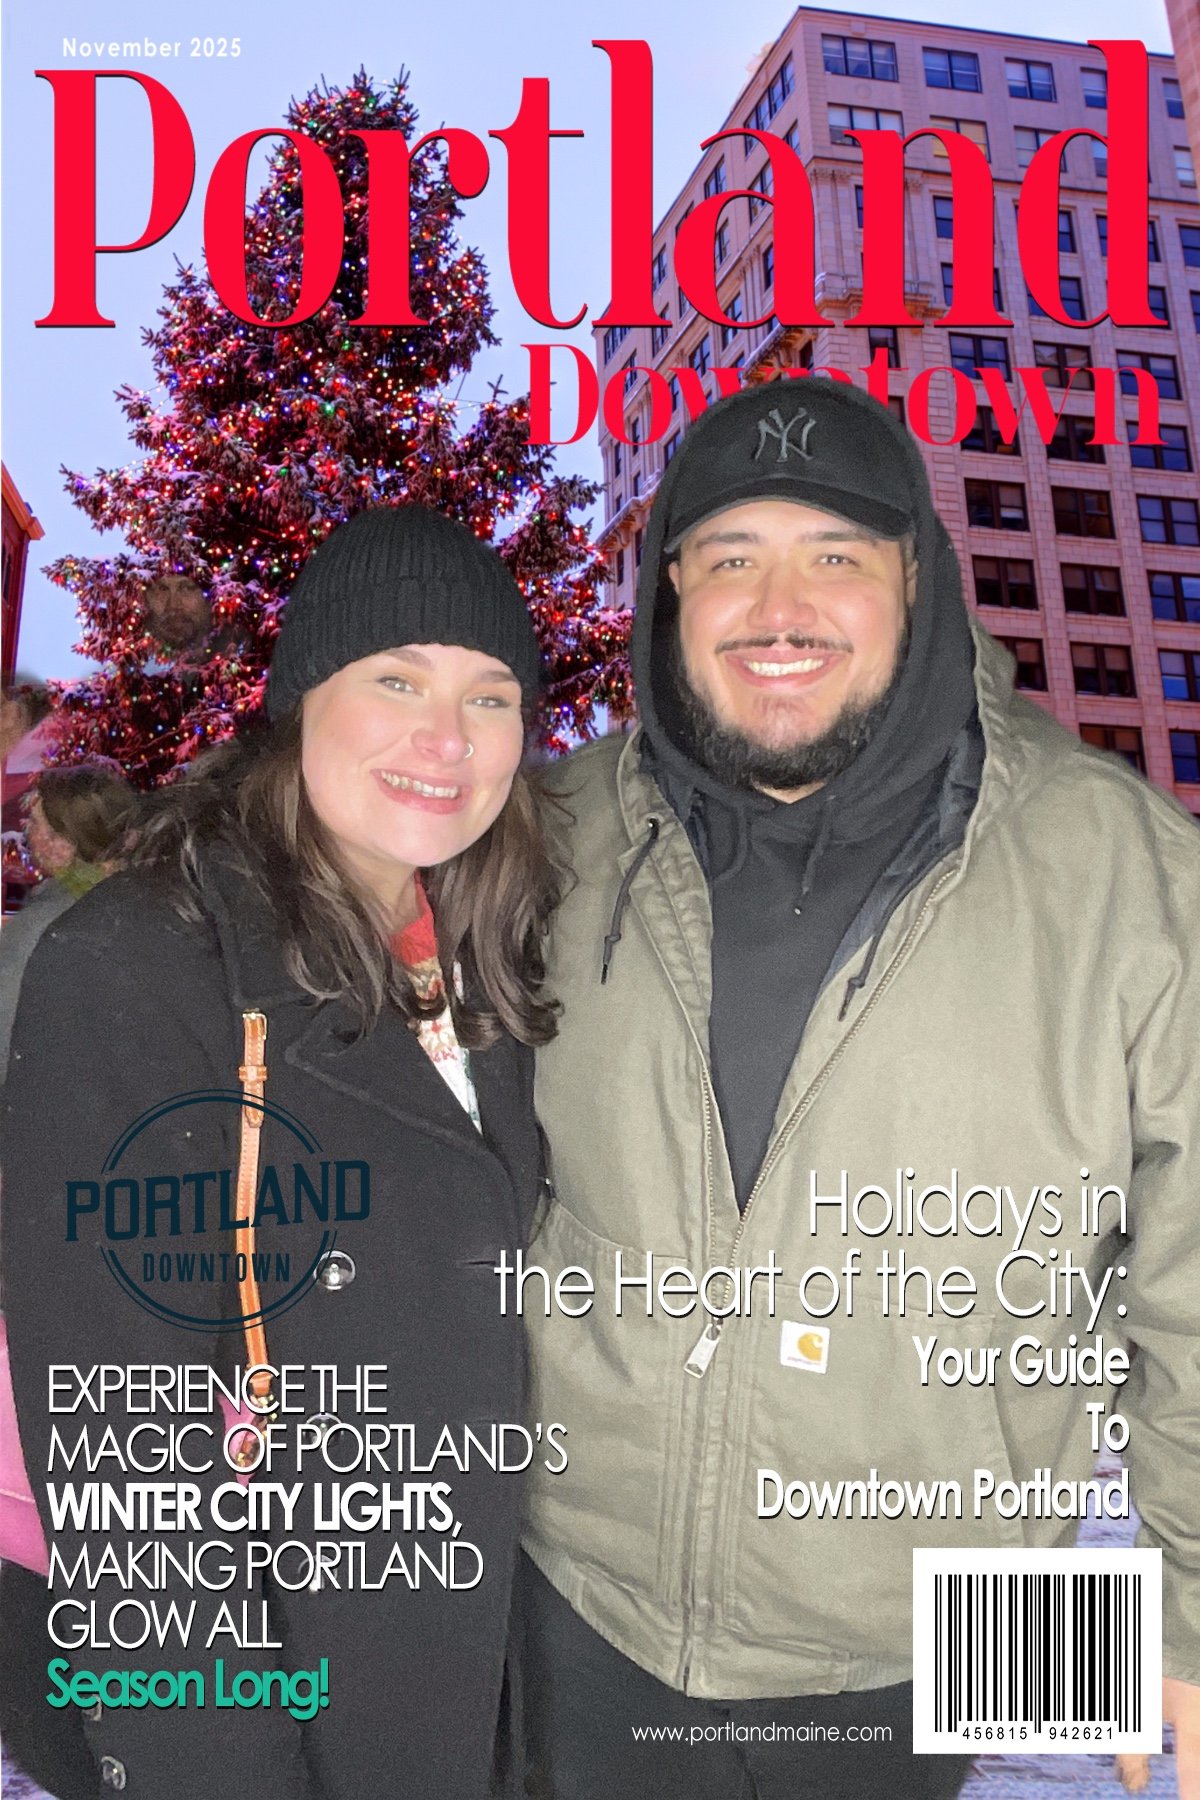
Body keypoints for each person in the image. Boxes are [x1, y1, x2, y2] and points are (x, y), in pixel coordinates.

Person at [521, 379, 1200, 1799]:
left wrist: (1187, 1626)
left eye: (836, 553)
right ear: (670, 593)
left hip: (951, 1624)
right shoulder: (549, 835)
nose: (780, 608)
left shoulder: (1132, 873)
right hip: (577, 1593)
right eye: (730, 557)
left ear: (918, 581)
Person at [2, 504, 557, 1800]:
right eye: (398, 680)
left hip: (483, 1691)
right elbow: (126, 1464)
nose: (446, 737)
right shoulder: (147, 961)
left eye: (488, 697)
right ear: (302, 699)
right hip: (292, 1707)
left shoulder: (495, 958)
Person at [0, 761, 135, 1071]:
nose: (26, 830)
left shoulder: (42, 926)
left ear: (61, 845)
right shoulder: (142, 895)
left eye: (35, 823)